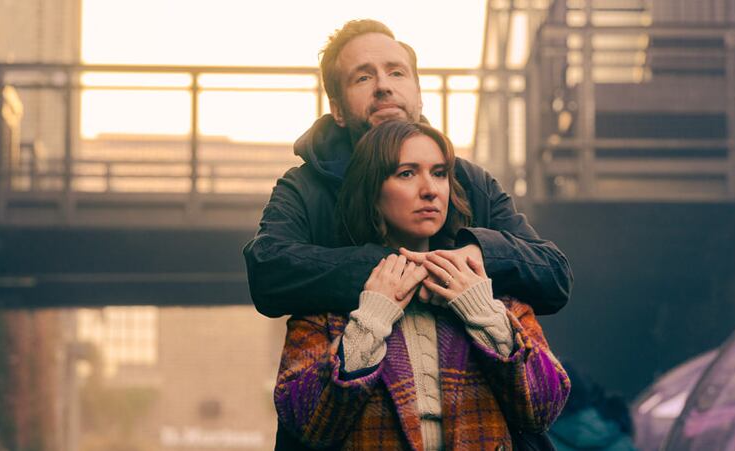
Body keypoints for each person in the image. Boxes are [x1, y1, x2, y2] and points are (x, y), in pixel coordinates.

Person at [243, 19, 573, 319]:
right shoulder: (305, 187)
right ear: (337, 110)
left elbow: (554, 274)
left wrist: (477, 255)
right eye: (363, 77)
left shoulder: (470, 181)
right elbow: (268, 271)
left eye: (397, 73)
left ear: (418, 94)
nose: (383, 86)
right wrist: (403, 269)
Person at [275, 120, 570, 450]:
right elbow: (308, 426)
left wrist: (484, 313)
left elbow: (544, 409)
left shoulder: (493, 290)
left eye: (440, 173)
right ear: (372, 192)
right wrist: (370, 321)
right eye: (406, 173)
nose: (430, 189)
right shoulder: (328, 304)